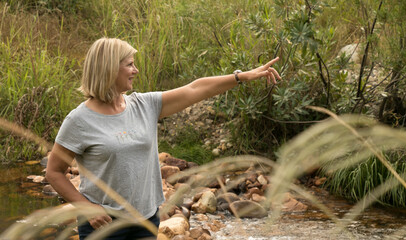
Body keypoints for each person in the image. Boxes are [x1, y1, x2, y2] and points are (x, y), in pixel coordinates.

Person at [45, 37, 281, 239]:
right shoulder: (79, 120)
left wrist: (241, 77)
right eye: (129, 65)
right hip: (104, 224)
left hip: (146, 218)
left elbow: (195, 89)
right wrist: (87, 208)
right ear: (109, 69)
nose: (136, 70)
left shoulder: (143, 105)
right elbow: (54, 172)